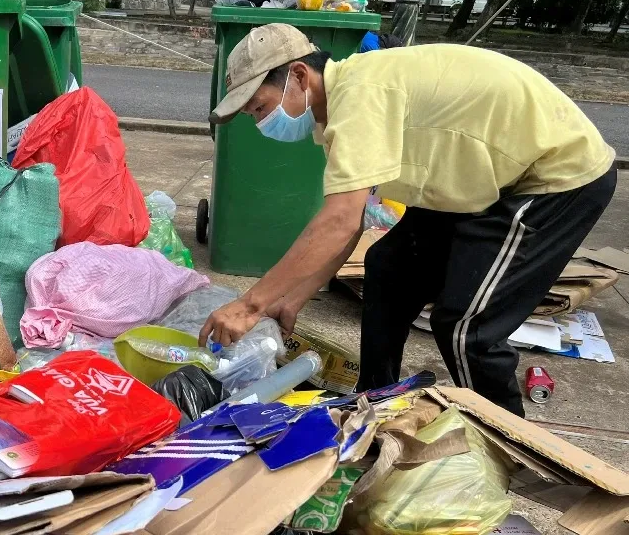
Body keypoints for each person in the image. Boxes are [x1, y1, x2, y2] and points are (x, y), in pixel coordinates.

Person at [198, 23, 616, 416]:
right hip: (481, 178)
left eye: (260, 108)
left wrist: (250, 305)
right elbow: (352, 219)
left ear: (299, 76)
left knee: (466, 327)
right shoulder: (341, 105)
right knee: (388, 268)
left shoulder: (362, 95)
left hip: (555, 174)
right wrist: (291, 300)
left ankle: (506, 443)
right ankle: (374, 396)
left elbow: (338, 220)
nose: (260, 123)